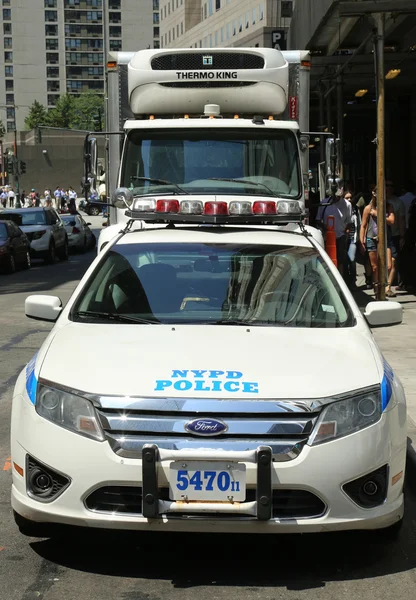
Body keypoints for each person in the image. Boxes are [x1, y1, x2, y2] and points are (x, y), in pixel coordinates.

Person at [360, 188, 395, 296]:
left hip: (385, 238)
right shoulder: (368, 208)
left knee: (389, 265)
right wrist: (362, 241)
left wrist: (377, 214)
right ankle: (377, 288)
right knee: (375, 267)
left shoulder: (388, 206)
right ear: (374, 194)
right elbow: (363, 225)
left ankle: (386, 287)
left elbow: (392, 221)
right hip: (372, 238)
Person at [316, 188, 352, 276]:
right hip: (327, 238)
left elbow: (349, 222)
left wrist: (345, 233)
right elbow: (317, 220)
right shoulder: (324, 203)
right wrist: (326, 228)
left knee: (340, 261)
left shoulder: (347, 204)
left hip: (340, 237)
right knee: (327, 260)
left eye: (337, 196)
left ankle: (341, 279)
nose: (335, 198)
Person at [385, 181, 406, 294]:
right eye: (386, 185)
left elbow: (402, 221)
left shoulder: (399, 202)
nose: (388, 188)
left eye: (390, 185)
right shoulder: (379, 201)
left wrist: (402, 236)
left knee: (393, 261)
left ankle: (388, 286)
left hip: (394, 235)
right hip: (381, 236)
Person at [345, 191, 361, 290]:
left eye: (351, 197)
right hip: (342, 239)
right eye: (347, 198)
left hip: (352, 239)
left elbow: (359, 224)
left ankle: (353, 281)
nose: (349, 200)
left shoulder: (355, 209)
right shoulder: (341, 209)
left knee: (352, 259)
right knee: (343, 261)